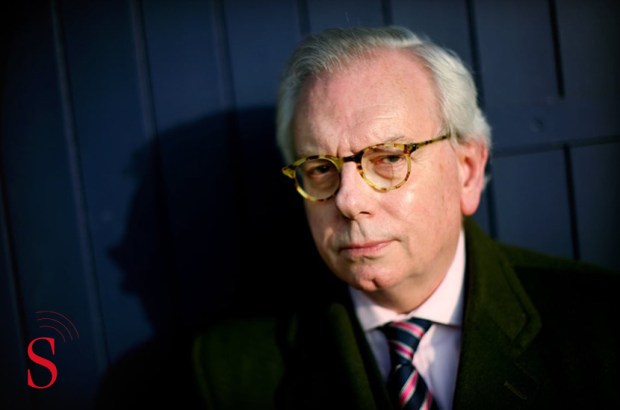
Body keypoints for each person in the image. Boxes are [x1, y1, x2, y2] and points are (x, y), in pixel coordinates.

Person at [192, 25, 620, 409]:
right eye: (321, 168)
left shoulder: (602, 324)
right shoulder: (230, 370)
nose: (348, 201)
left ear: (467, 170)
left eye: (389, 157)